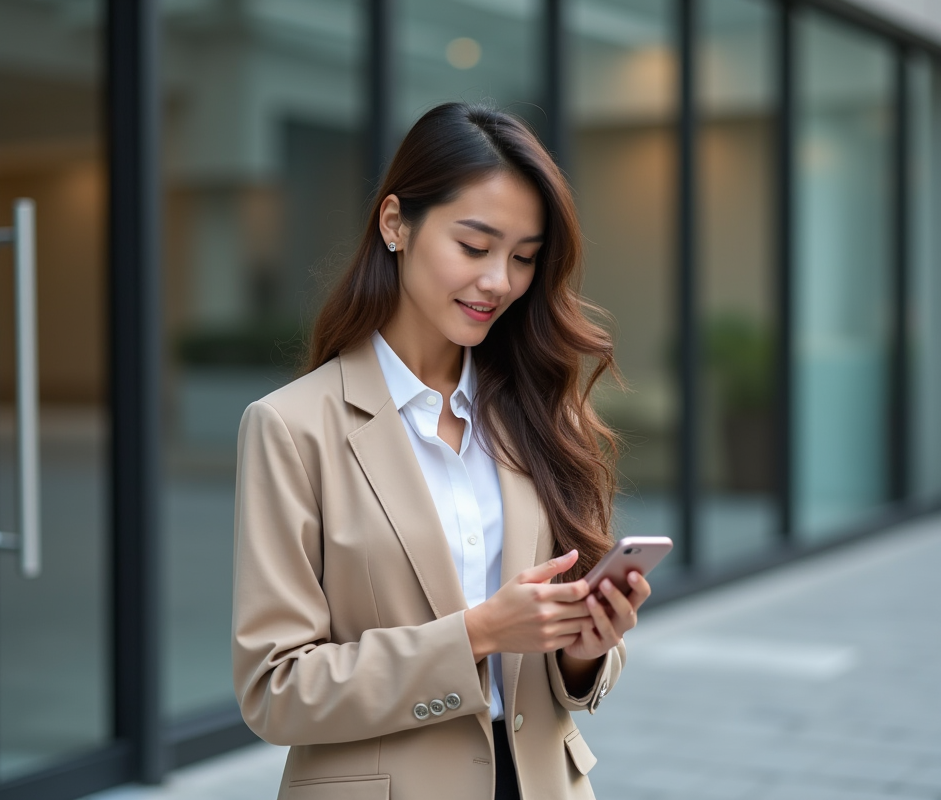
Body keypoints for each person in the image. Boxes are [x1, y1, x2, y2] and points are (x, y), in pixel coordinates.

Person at [232, 102, 652, 800]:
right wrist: (477, 634)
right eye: (475, 246)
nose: (500, 282)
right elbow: (276, 691)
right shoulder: (291, 428)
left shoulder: (544, 415)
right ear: (395, 223)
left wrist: (585, 651)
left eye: (523, 258)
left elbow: (566, 679)